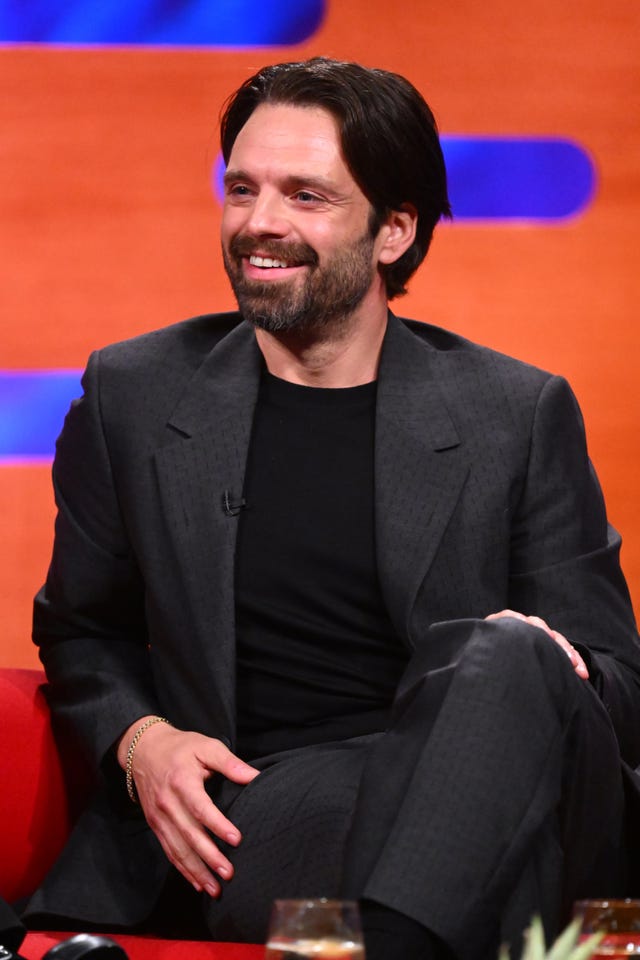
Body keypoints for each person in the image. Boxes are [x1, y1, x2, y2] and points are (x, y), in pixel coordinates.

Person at [23, 56, 640, 960]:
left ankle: (372, 943)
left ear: (394, 230)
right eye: (242, 189)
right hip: (275, 818)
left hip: (501, 773)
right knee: (532, 899)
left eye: (306, 197)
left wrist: (558, 668)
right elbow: (81, 632)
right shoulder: (137, 396)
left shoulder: (514, 412)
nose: (258, 225)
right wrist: (141, 741)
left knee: (503, 657)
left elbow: (621, 696)